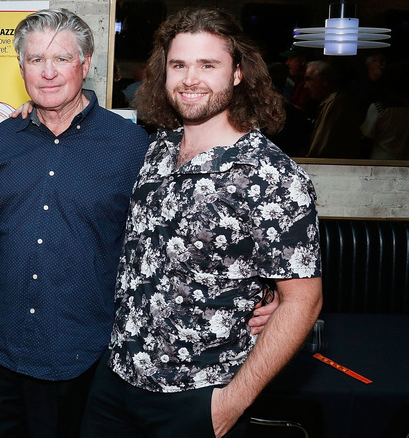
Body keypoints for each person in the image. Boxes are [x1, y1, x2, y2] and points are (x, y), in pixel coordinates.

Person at [0, 8, 275, 438]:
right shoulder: (5, 138)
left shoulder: (134, 147)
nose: (47, 72)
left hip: (82, 357)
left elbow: (189, 226)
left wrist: (267, 289)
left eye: (61, 59)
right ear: (20, 67)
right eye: (35, 60)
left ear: (86, 63)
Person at [79, 7, 323, 438]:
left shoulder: (272, 177)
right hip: (115, 381)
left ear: (237, 73)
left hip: (199, 396)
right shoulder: (157, 149)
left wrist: (230, 404)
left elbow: (303, 302)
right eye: (179, 65)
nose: (191, 78)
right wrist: (39, 112)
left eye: (208, 64)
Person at [304, 60, 363, 158]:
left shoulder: (335, 103)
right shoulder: (331, 101)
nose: (305, 86)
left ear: (324, 81)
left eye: (309, 80)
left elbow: (320, 144)